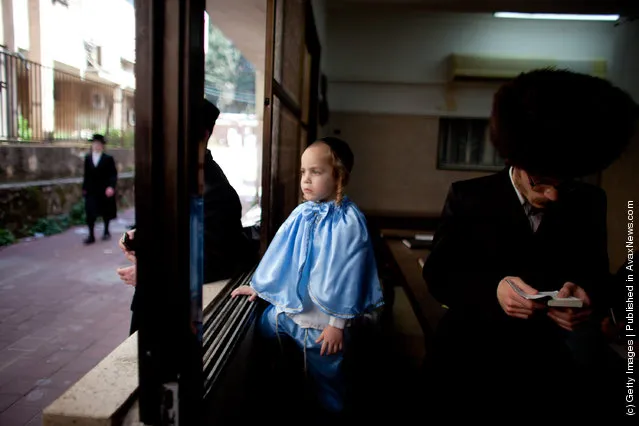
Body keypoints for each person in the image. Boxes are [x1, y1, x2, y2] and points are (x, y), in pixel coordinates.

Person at [421, 69, 638, 418]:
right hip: (468, 359)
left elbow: (598, 273)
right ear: (516, 161)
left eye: (563, 184)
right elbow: (439, 275)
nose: (552, 195)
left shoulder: (590, 200)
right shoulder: (470, 196)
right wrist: (495, 290)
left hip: (546, 365)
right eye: (542, 183)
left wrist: (586, 296)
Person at [231, 137, 384, 416]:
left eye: (316, 172)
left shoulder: (349, 221)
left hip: (322, 325)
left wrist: (337, 324)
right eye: (303, 172)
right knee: (267, 341)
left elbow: (349, 273)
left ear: (338, 176)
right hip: (289, 313)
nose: (306, 179)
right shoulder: (301, 213)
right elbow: (281, 254)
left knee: (328, 382)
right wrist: (260, 288)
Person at [117, 99, 255, 334]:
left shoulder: (216, 192)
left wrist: (152, 271)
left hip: (177, 313)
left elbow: (213, 261)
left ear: (202, 133)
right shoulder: (174, 174)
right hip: (151, 303)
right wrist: (138, 234)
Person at [82, 133, 117, 244]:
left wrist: (111, 187)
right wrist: (84, 188)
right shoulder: (88, 158)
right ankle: (91, 235)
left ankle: (106, 231)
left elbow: (113, 174)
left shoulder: (108, 158)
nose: (96, 146)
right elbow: (86, 175)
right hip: (92, 190)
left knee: (105, 212)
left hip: (104, 190)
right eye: (95, 144)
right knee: (90, 213)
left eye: (99, 144)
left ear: (102, 146)